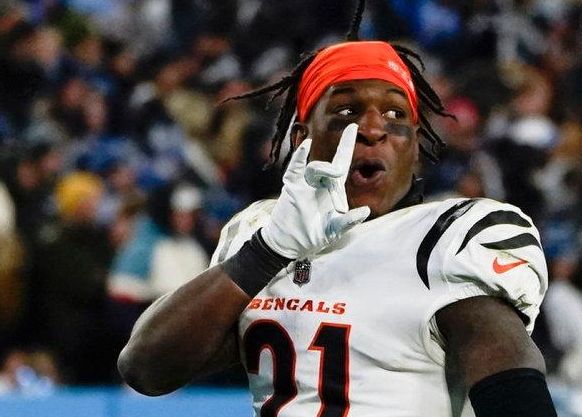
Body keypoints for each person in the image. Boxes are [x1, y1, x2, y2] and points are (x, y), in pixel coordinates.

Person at [118, 2, 556, 416]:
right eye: (346, 111)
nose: (371, 129)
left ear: (415, 147)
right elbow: (147, 369)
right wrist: (268, 251)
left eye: (394, 115)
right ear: (303, 137)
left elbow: (505, 360)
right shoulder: (259, 232)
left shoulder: (449, 239)